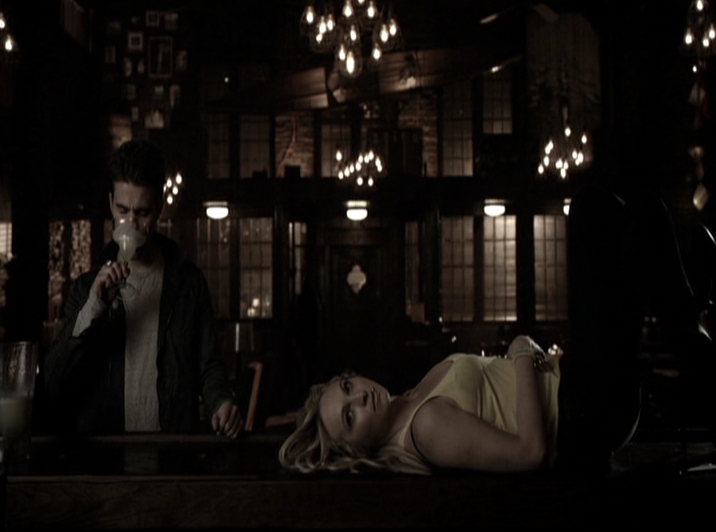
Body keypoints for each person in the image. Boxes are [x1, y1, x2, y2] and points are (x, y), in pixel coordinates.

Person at [278, 184, 716, 475]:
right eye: (350, 416)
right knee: (619, 214)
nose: (360, 397)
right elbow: (530, 452)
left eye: (348, 386)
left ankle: (691, 324)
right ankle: (694, 343)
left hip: (580, 383)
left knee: (603, 210)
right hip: (585, 410)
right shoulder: (424, 427)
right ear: (353, 450)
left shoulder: (412, 400)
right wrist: (522, 350)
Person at [43, 139, 243, 438]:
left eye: (142, 213)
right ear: (111, 204)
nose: (131, 224)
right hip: (106, 456)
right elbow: (53, 384)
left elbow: (209, 364)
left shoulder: (188, 284)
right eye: (123, 210)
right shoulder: (86, 289)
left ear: (159, 207)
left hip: (172, 452)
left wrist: (221, 401)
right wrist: (93, 307)